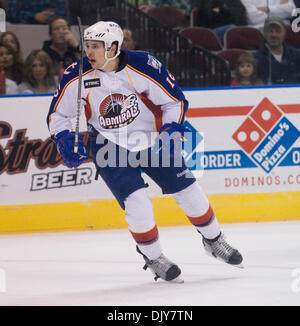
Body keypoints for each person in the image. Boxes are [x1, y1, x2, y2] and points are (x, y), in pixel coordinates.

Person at [46, 21, 243, 282]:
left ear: (113, 47)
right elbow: (58, 114)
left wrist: (171, 128)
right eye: (87, 46)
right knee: (137, 202)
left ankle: (214, 240)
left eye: (96, 47)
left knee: (189, 191)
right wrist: (63, 137)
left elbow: (174, 101)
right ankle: (153, 256)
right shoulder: (76, 75)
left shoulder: (143, 65)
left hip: (152, 139)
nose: (89, 52)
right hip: (108, 145)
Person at [254, 16, 300, 84]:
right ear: (264, 33)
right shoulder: (255, 59)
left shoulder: (296, 55)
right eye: (270, 31)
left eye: (278, 31)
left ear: (284, 32)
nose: (274, 35)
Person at [42, 16, 80, 81]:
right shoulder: (44, 54)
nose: (61, 32)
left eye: (64, 28)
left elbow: (89, 66)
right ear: (50, 35)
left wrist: (77, 46)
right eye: (56, 29)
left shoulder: (75, 51)